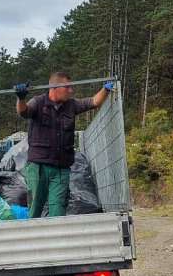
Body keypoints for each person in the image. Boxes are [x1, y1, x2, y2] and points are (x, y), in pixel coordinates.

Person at [13, 72, 114, 218]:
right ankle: (33, 239)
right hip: (38, 167)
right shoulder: (38, 102)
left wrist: (106, 89)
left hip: (61, 169)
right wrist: (20, 98)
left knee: (58, 208)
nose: (71, 91)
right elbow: (23, 112)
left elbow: (93, 102)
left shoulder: (71, 105)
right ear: (55, 88)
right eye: (67, 87)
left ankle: (56, 239)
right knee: (35, 206)